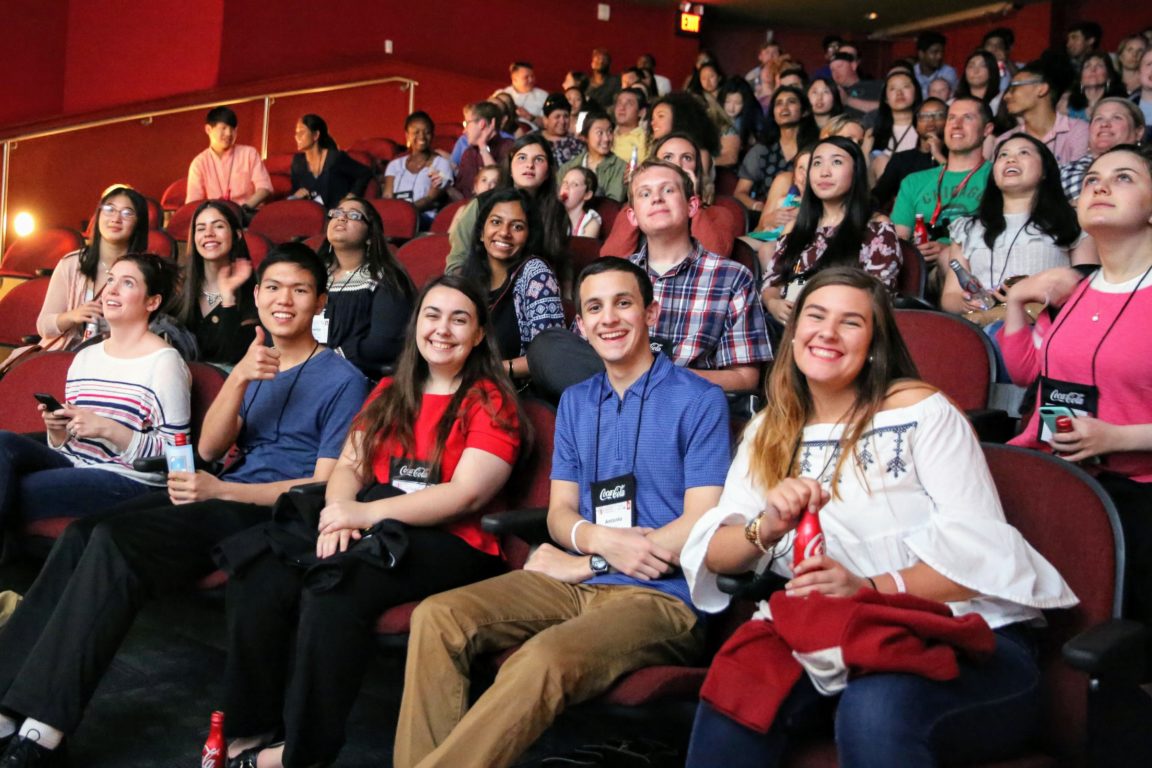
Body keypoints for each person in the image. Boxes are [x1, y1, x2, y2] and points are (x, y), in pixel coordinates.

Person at [680, 266, 1077, 768]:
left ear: (873, 344)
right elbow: (717, 552)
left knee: (877, 707)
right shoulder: (768, 429)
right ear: (794, 331)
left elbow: (979, 559)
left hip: (969, 635)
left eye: (850, 322)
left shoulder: (922, 412)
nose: (826, 332)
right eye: (815, 316)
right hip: (836, 636)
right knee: (738, 690)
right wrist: (767, 526)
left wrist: (867, 586)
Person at [0, 245, 369, 764]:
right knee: (85, 533)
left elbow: (321, 487)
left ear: (320, 301)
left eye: (300, 289)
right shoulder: (255, 363)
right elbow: (213, 449)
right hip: (221, 496)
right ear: (258, 296)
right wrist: (239, 377)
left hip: (274, 514)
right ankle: (7, 695)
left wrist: (221, 490)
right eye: (273, 288)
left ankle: (46, 722)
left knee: (115, 540)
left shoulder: (344, 380)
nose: (284, 299)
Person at [393, 257, 731, 768]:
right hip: (574, 581)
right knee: (439, 616)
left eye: (623, 303)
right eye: (594, 307)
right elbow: (559, 514)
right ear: (581, 325)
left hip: (661, 596)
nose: (608, 318)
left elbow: (701, 521)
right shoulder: (576, 402)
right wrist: (594, 544)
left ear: (652, 313)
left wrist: (593, 560)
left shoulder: (700, 400)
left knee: (541, 659)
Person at [219, 274, 526, 768]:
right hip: (376, 524)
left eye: (459, 319)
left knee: (334, 586)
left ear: (478, 336)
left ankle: (302, 753)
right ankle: (248, 731)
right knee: (262, 566)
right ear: (416, 325)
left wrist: (363, 512)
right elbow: (349, 466)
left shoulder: (489, 400)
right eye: (432, 315)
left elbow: (466, 493)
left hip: (452, 540)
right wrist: (338, 516)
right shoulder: (389, 389)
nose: (442, 329)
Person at [999, 145, 1152, 632]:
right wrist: (1019, 300)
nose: (1101, 186)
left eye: (1124, 177)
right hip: (1059, 471)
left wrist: (1116, 438)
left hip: (1136, 494)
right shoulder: (1077, 289)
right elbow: (1028, 374)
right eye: (1091, 180)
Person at [533, 159, 771, 396]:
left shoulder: (732, 277)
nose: (656, 198)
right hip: (610, 401)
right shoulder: (614, 276)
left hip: (681, 402)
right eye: (645, 194)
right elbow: (578, 352)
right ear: (633, 216)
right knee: (548, 347)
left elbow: (745, 378)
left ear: (692, 206)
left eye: (668, 190)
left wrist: (657, 378)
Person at [0, 253, 189, 531]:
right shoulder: (85, 357)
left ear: (152, 302)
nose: (111, 289)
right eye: (111, 279)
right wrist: (58, 432)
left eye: (127, 283)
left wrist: (108, 429)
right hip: (76, 463)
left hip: (130, 479)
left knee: (19, 488)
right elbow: (73, 444)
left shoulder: (165, 363)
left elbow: (177, 458)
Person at [941, 135, 1090, 322]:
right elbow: (950, 296)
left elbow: (1087, 288)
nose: (1010, 159)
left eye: (1024, 153)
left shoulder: (1071, 221)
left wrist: (1036, 293)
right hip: (983, 325)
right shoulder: (967, 228)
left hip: (1044, 325)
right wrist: (965, 302)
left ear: (1045, 170)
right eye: (1003, 155)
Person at [760, 137, 901, 328]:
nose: (824, 172)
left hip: (841, 325)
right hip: (787, 323)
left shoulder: (876, 227)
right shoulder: (795, 227)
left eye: (836, 162)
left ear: (856, 171)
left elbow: (879, 294)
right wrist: (773, 303)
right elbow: (772, 282)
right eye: (817, 163)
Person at [459, 188, 564, 379]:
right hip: (469, 383)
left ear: (529, 236)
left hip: (517, 391)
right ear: (482, 233)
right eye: (496, 222)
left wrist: (488, 371)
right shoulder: (467, 277)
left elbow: (550, 356)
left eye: (517, 227)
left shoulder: (537, 275)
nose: (504, 233)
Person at [35, 186, 149, 351]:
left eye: (127, 213)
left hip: (116, 360)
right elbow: (43, 326)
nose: (116, 218)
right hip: (63, 356)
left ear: (139, 222)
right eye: (109, 209)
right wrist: (72, 316)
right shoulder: (71, 264)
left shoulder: (145, 272)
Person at [315, 198, 416, 375]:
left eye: (354, 215)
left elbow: (385, 343)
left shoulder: (386, 278)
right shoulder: (313, 275)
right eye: (337, 213)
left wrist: (329, 359)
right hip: (305, 369)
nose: (341, 218)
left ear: (370, 236)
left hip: (357, 376)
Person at [892, 97, 995, 269]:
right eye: (951, 118)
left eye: (968, 117)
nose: (957, 124)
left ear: (987, 129)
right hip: (918, 270)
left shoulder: (996, 177)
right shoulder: (914, 181)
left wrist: (949, 249)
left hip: (974, 268)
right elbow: (899, 239)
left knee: (950, 258)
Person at [601, 133, 740, 258]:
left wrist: (692, 196)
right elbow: (610, 259)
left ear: (696, 170)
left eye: (687, 158)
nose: (677, 165)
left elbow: (714, 258)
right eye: (668, 157)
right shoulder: (634, 211)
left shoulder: (719, 214)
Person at [448, 134, 569, 275]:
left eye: (539, 159)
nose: (529, 165)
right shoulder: (482, 203)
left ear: (548, 171)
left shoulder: (556, 211)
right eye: (522, 158)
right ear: (510, 166)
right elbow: (457, 262)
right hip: (481, 286)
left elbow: (561, 262)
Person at [173, 200, 258, 365]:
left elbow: (232, 357)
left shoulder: (253, 290)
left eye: (218, 226)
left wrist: (228, 299)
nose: (208, 233)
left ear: (236, 235)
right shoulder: (178, 285)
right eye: (201, 228)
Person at [734, 86, 818, 214]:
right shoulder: (761, 150)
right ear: (773, 114)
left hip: (807, 213)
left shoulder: (816, 148)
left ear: (804, 111)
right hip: (769, 217)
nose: (784, 108)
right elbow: (740, 193)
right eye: (778, 103)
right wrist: (759, 207)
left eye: (791, 102)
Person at [185, 106, 272, 213]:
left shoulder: (249, 153)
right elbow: (193, 202)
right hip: (216, 219)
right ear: (208, 129)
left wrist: (243, 210)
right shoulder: (199, 163)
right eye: (224, 128)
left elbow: (264, 188)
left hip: (248, 214)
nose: (229, 134)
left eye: (233, 129)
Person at [1060, 97, 1146, 204]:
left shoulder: (1147, 170)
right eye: (1099, 118)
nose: (1104, 124)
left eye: (1117, 118)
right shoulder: (1063, 172)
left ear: (1138, 132)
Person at [1001, 63, 1090, 165]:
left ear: (1041, 89)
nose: (1006, 96)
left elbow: (1076, 177)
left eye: (1013, 88)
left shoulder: (1078, 130)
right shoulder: (1006, 140)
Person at [872, 97, 948, 212]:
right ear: (916, 125)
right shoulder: (901, 159)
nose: (931, 120)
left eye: (938, 115)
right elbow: (879, 196)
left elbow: (963, 187)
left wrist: (938, 155)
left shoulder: (957, 157)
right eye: (924, 116)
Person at [384, 112, 455, 227]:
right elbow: (387, 197)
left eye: (426, 132)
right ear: (407, 135)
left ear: (432, 135)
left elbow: (431, 198)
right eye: (416, 132)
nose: (421, 136)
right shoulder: (394, 165)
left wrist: (405, 213)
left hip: (424, 218)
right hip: (395, 216)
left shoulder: (441, 164)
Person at [289, 114, 372, 206]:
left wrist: (352, 195)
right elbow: (295, 190)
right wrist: (296, 195)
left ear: (316, 135)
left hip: (336, 213)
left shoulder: (334, 158)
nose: (297, 137)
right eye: (296, 133)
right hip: (310, 214)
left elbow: (365, 173)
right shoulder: (297, 162)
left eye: (302, 132)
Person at [451, 102, 515, 202]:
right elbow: (462, 196)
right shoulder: (469, 153)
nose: (464, 131)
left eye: (467, 123)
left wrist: (483, 147)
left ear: (482, 124)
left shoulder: (508, 147)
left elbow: (501, 186)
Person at [559, 112, 627, 203]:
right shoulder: (568, 167)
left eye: (610, 131)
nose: (606, 138)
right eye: (600, 133)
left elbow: (613, 204)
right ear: (585, 137)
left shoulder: (620, 167)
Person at [870, 70, 923, 179]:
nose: (899, 93)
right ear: (885, 98)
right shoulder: (873, 134)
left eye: (906, 87)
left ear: (916, 93)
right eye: (893, 88)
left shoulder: (925, 130)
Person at [1064, 53, 1128, 122]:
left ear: (1109, 76)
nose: (1093, 70)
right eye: (1087, 66)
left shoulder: (1120, 104)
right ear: (1080, 78)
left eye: (1099, 66)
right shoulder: (1067, 105)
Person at [830, 44, 881, 113]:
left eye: (839, 66)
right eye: (832, 69)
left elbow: (887, 108)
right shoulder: (830, 91)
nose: (836, 72)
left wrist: (848, 100)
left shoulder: (875, 86)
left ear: (853, 65)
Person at [955, 50, 1004, 121]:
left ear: (992, 70)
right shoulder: (953, 103)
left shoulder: (1001, 101)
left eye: (983, 66)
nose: (976, 71)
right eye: (971, 66)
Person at [537, 94, 582, 167]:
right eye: (557, 117)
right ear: (545, 120)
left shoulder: (577, 143)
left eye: (566, 116)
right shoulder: (534, 139)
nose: (562, 121)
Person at [559, 166, 602, 238]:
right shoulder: (554, 214)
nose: (566, 187)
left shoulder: (590, 222)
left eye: (575, 184)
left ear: (587, 195)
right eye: (565, 182)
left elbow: (582, 248)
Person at [611, 88, 649, 166]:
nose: (622, 108)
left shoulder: (647, 140)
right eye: (619, 103)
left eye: (629, 104)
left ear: (641, 112)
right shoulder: (606, 136)